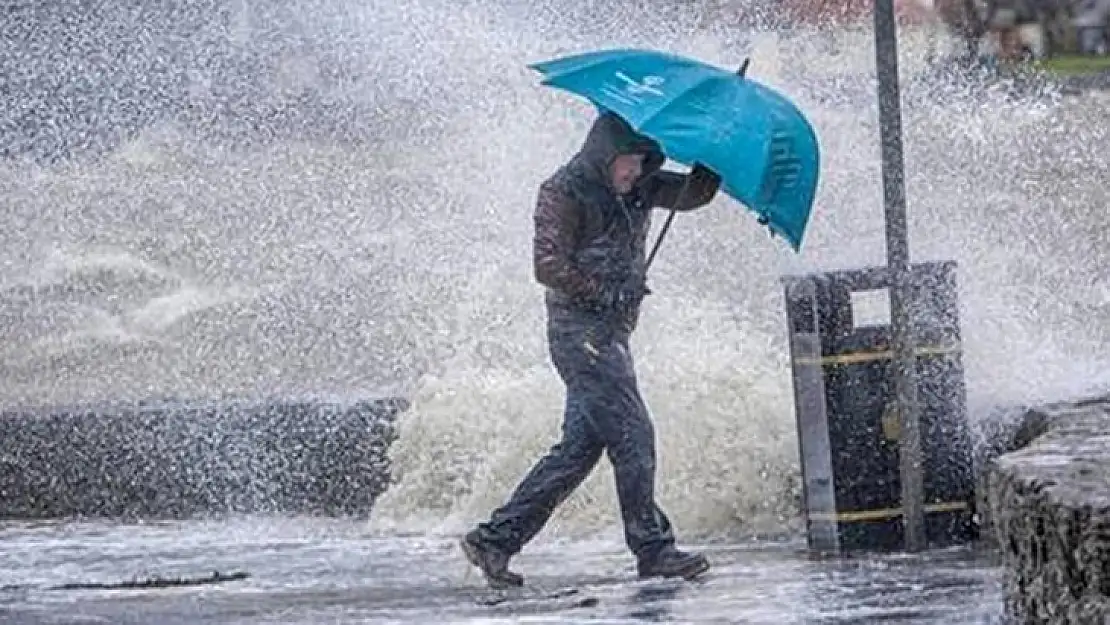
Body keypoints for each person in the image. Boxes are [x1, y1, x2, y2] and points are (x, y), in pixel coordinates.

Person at [460, 111, 722, 588]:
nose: (635, 173)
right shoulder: (562, 191)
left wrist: (712, 160)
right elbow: (547, 265)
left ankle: (494, 540)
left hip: (612, 335)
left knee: (579, 450)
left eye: (644, 163)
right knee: (634, 434)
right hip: (578, 334)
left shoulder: (640, 185)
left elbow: (691, 195)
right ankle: (653, 549)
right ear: (605, 155)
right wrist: (604, 292)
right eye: (628, 163)